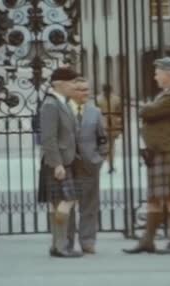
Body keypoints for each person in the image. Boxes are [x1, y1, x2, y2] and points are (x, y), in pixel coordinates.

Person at [123, 57, 170, 255]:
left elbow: (148, 112)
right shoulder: (169, 94)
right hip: (161, 150)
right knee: (154, 198)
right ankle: (147, 241)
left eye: (158, 72)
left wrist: (145, 108)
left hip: (167, 150)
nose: (155, 76)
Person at [38, 68, 84, 258]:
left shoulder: (61, 103)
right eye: (72, 82)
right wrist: (57, 164)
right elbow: (48, 138)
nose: (75, 86)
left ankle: (57, 245)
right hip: (58, 162)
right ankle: (60, 246)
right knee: (67, 200)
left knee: (58, 203)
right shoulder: (51, 104)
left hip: (65, 160)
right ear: (60, 84)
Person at [66, 77, 109, 254]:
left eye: (87, 89)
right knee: (66, 205)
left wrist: (98, 159)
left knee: (89, 206)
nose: (86, 93)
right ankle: (66, 242)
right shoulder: (62, 110)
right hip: (67, 165)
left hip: (89, 165)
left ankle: (87, 241)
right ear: (71, 92)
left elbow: (103, 139)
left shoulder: (95, 112)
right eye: (81, 90)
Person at [96, 84, 123, 173]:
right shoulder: (100, 99)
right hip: (104, 124)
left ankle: (110, 165)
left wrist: (119, 127)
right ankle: (107, 164)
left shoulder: (115, 99)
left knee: (110, 146)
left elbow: (119, 113)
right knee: (106, 146)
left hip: (111, 125)